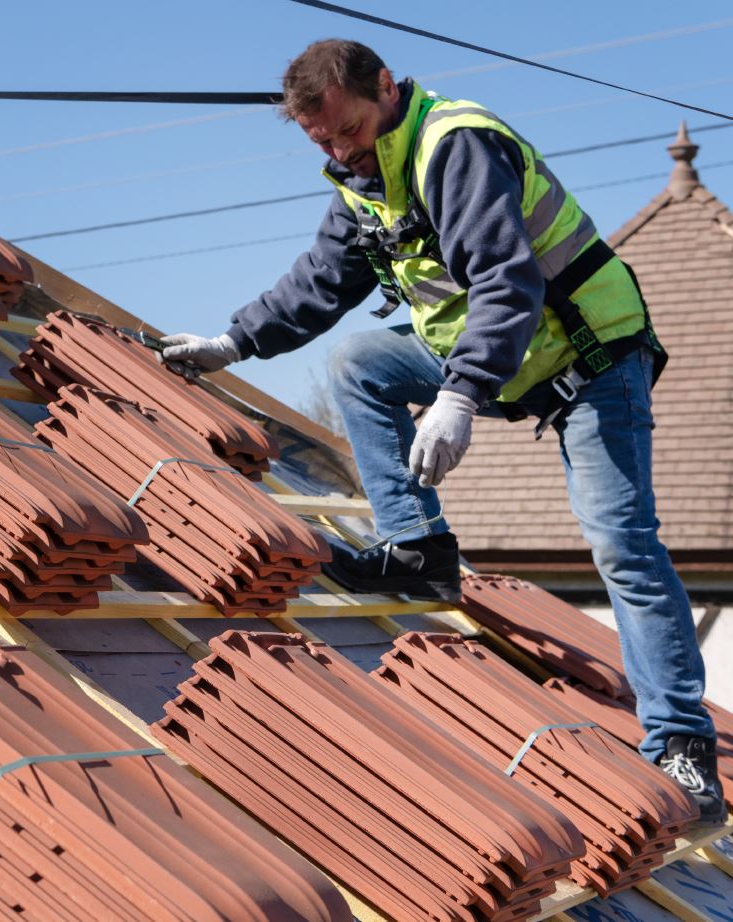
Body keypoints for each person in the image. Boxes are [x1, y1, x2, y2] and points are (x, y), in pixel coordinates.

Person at [160, 38, 726, 825]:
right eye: (320, 142)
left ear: (386, 89)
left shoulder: (452, 144)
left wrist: (460, 395)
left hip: (591, 357)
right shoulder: (364, 176)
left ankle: (681, 746)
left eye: (347, 132)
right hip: (504, 359)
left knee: (622, 544)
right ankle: (416, 548)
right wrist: (235, 341)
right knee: (360, 362)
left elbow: (506, 279)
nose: (337, 152)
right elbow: (323, 280)